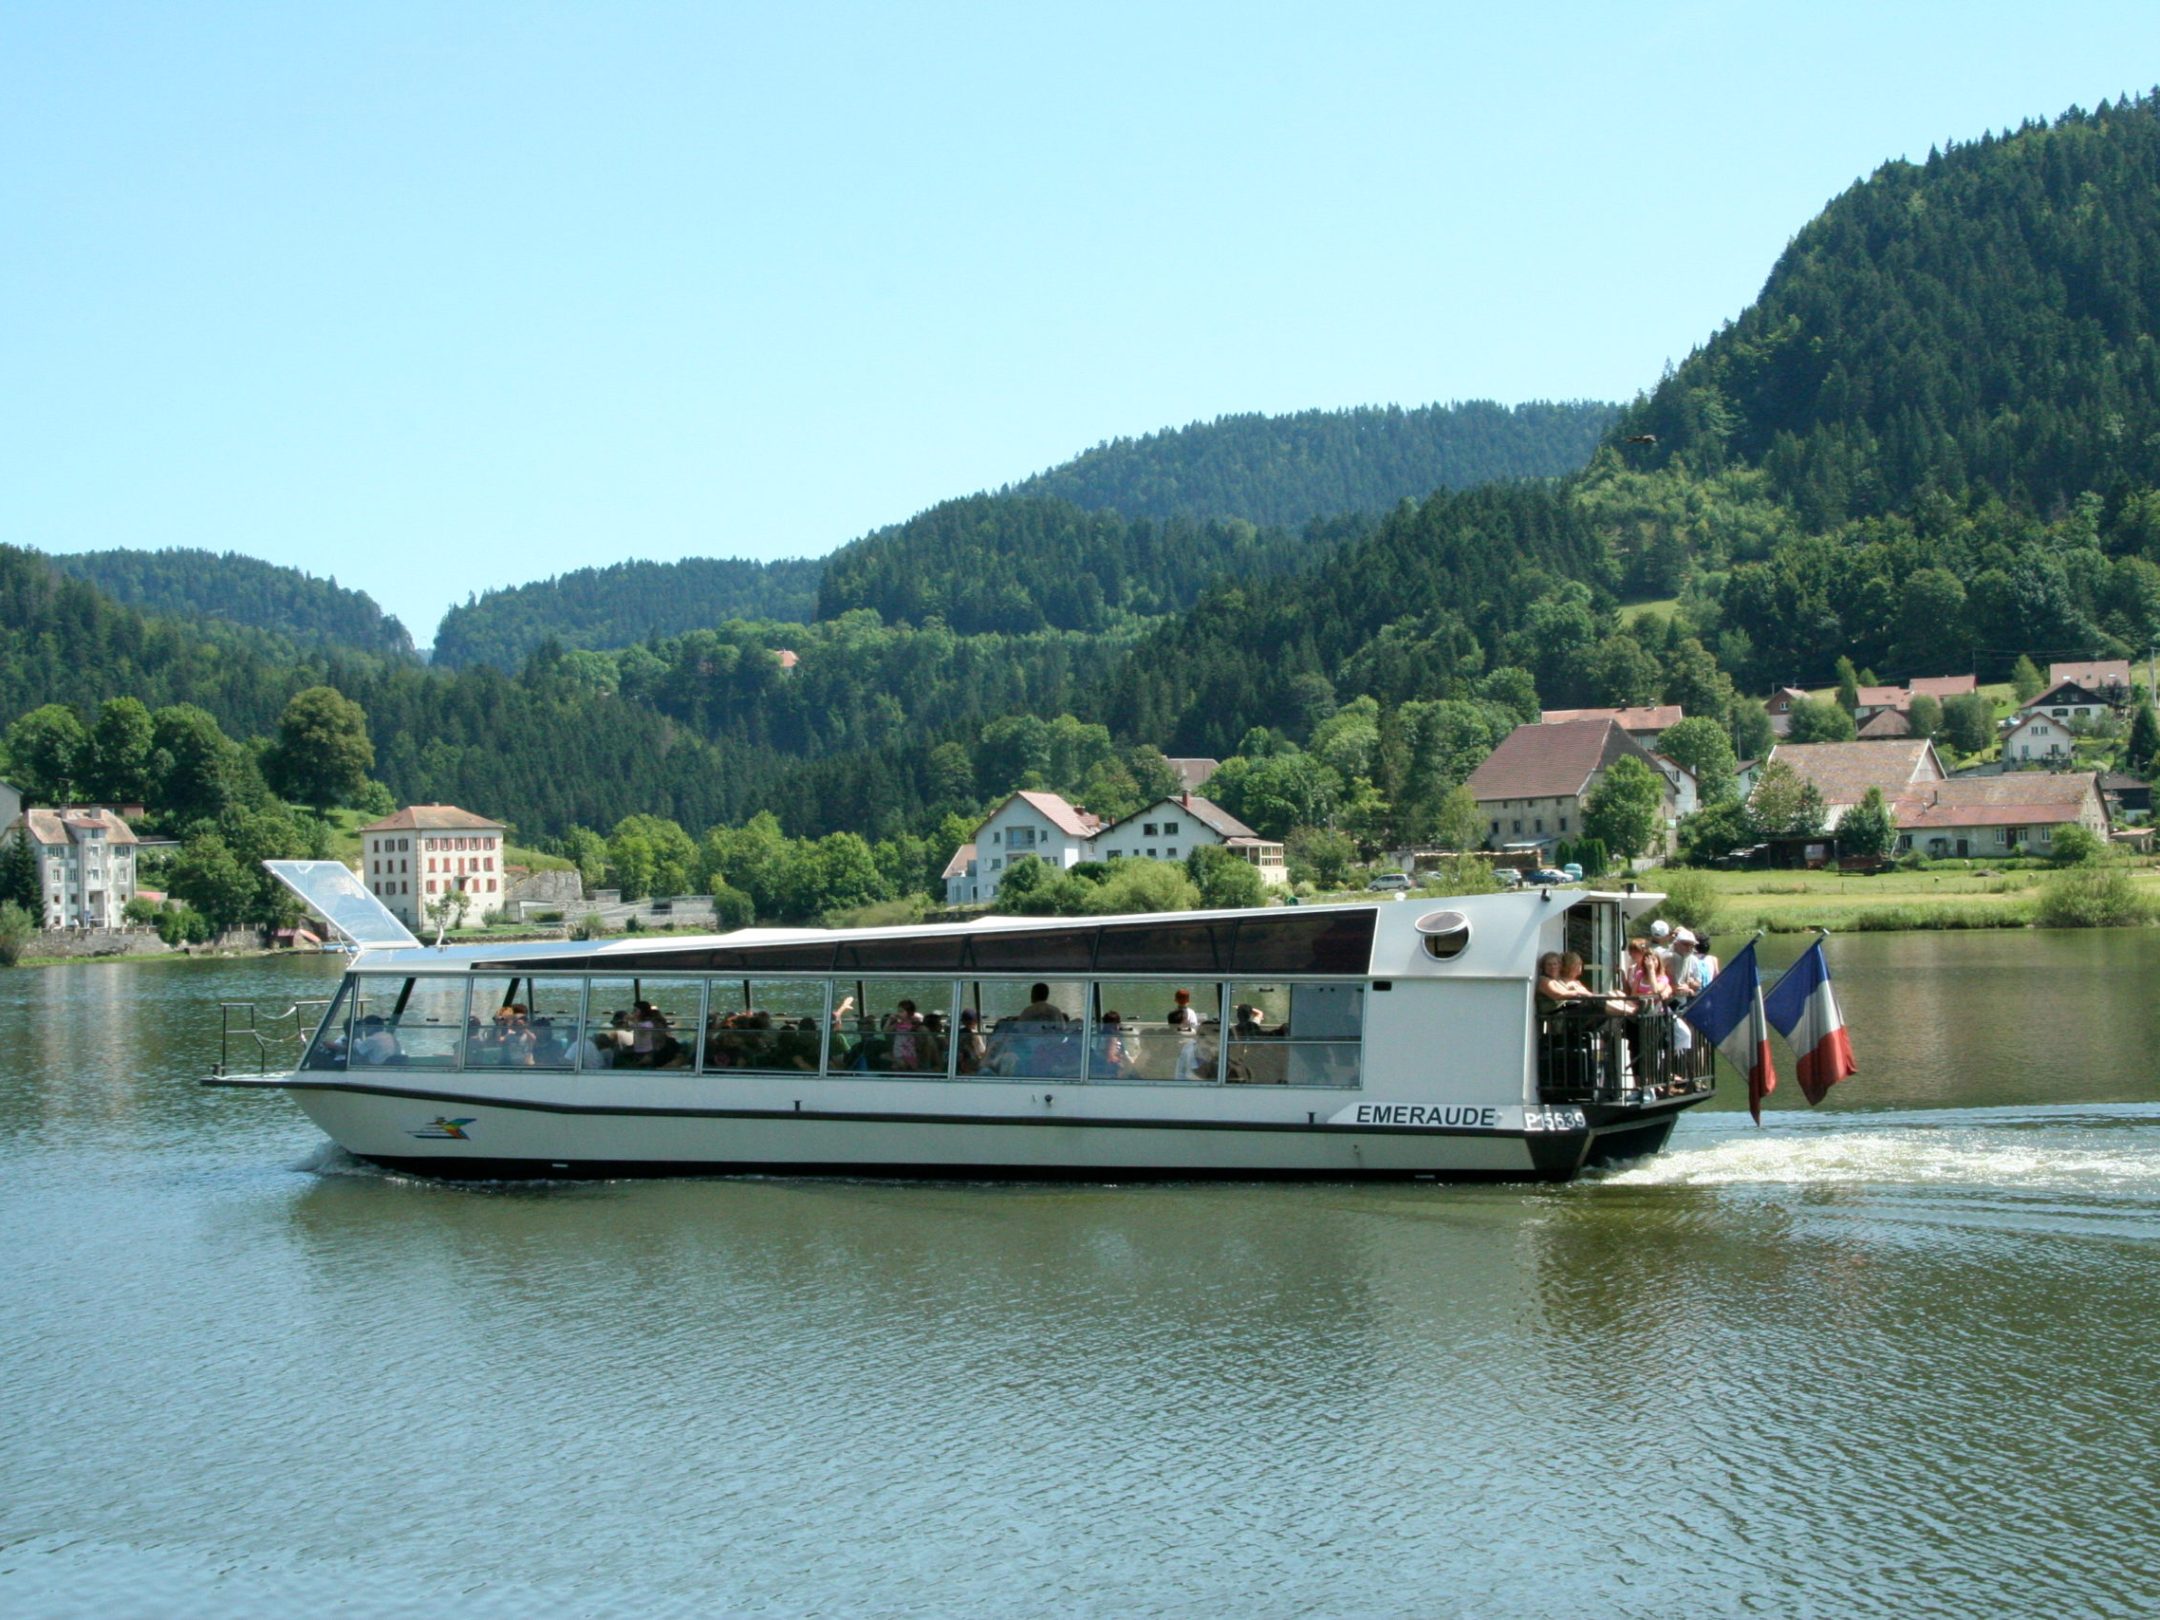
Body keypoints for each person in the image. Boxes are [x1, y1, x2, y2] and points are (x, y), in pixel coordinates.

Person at [954, 1009, 987, 1075]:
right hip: (970, 1069)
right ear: (975, 1021)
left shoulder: (957, 1033)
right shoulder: (974, 1035)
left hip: (958, 1068)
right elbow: (982, 1053)